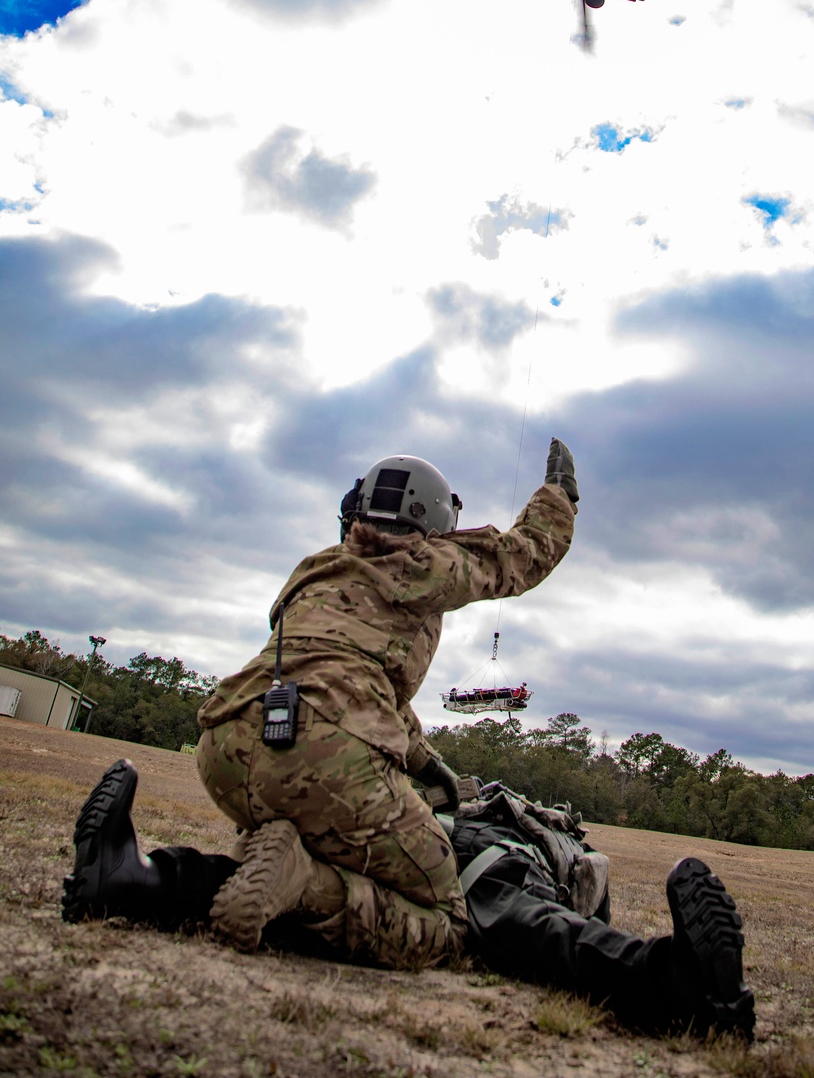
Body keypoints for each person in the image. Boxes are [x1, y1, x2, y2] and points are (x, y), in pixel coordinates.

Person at [63, 440, 578, 972]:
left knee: (278, 860)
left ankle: (135, 881)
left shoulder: (316, 568)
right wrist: (558, 497)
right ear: (435, 522)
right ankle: (304, 883)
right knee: (445, 920)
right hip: (327, 759)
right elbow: (521, 554)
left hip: (228, 744)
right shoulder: (424, 563)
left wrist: (429, 766)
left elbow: (340, 678)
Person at [60, 763, 754, 1040]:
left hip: (484, 873)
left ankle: (683, 989)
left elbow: (578, 911)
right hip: (407, 851)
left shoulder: (554, 844)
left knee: (521, 921)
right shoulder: (462, 798)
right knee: (290, 881)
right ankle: (135, 880)